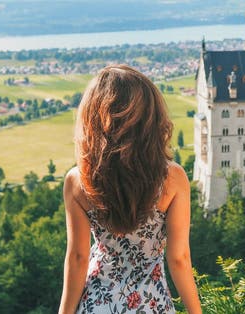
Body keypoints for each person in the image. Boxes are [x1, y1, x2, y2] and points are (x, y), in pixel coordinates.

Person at [58, 65, 201, 314]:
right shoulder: (172, 178)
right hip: (151, 303)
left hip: (97, 304)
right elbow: (179, 259)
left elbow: (78, 258)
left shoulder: (78, 180)